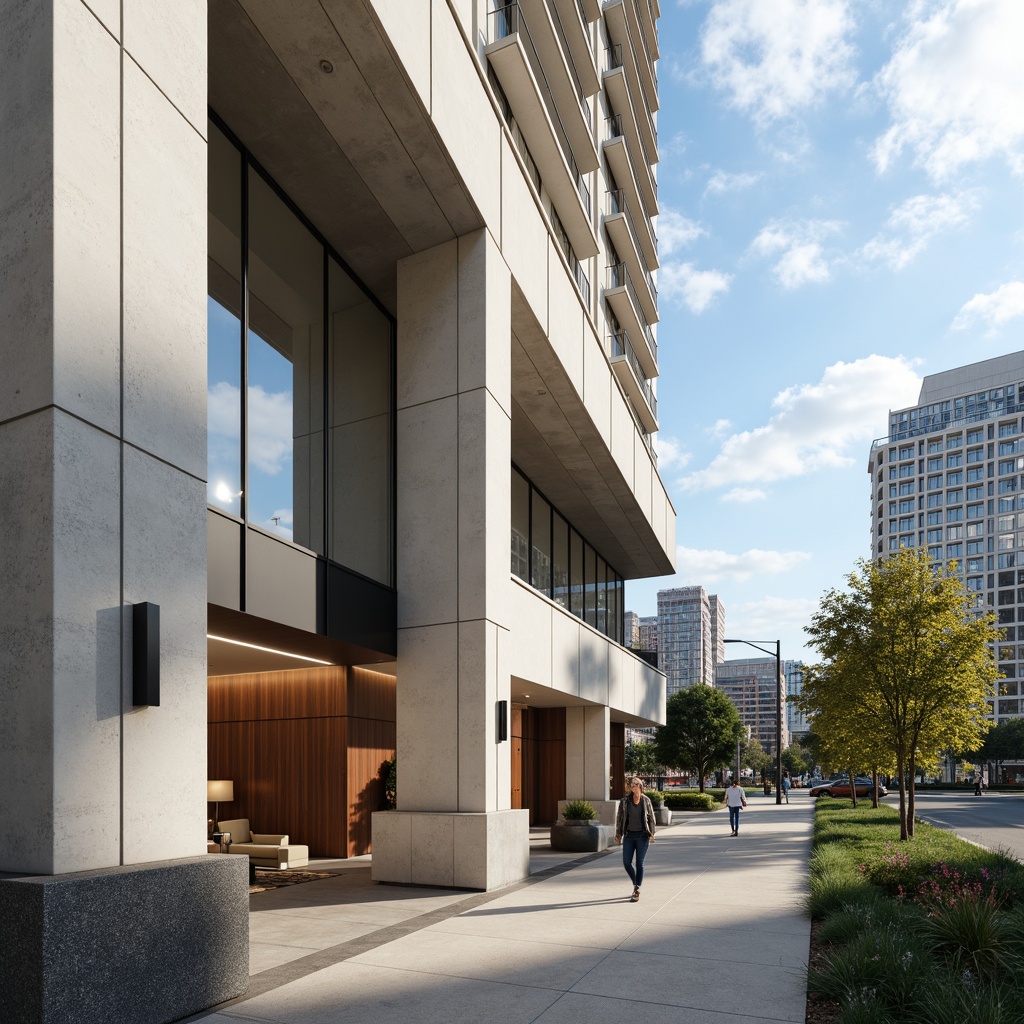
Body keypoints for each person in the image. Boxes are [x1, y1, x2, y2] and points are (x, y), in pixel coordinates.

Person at [615, 776, 657, 902]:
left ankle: (637, 889)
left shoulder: (646, 801)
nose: (634, 788)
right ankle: (636, 882)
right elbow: (619, 818)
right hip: (629, 835)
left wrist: (652, 834)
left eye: (636, 786)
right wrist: (618, 834)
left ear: (640, 786)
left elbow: (652, 818)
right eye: (632, 786)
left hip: (642, 836)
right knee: (627, 862)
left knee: (639, 863)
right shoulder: (625, 801)